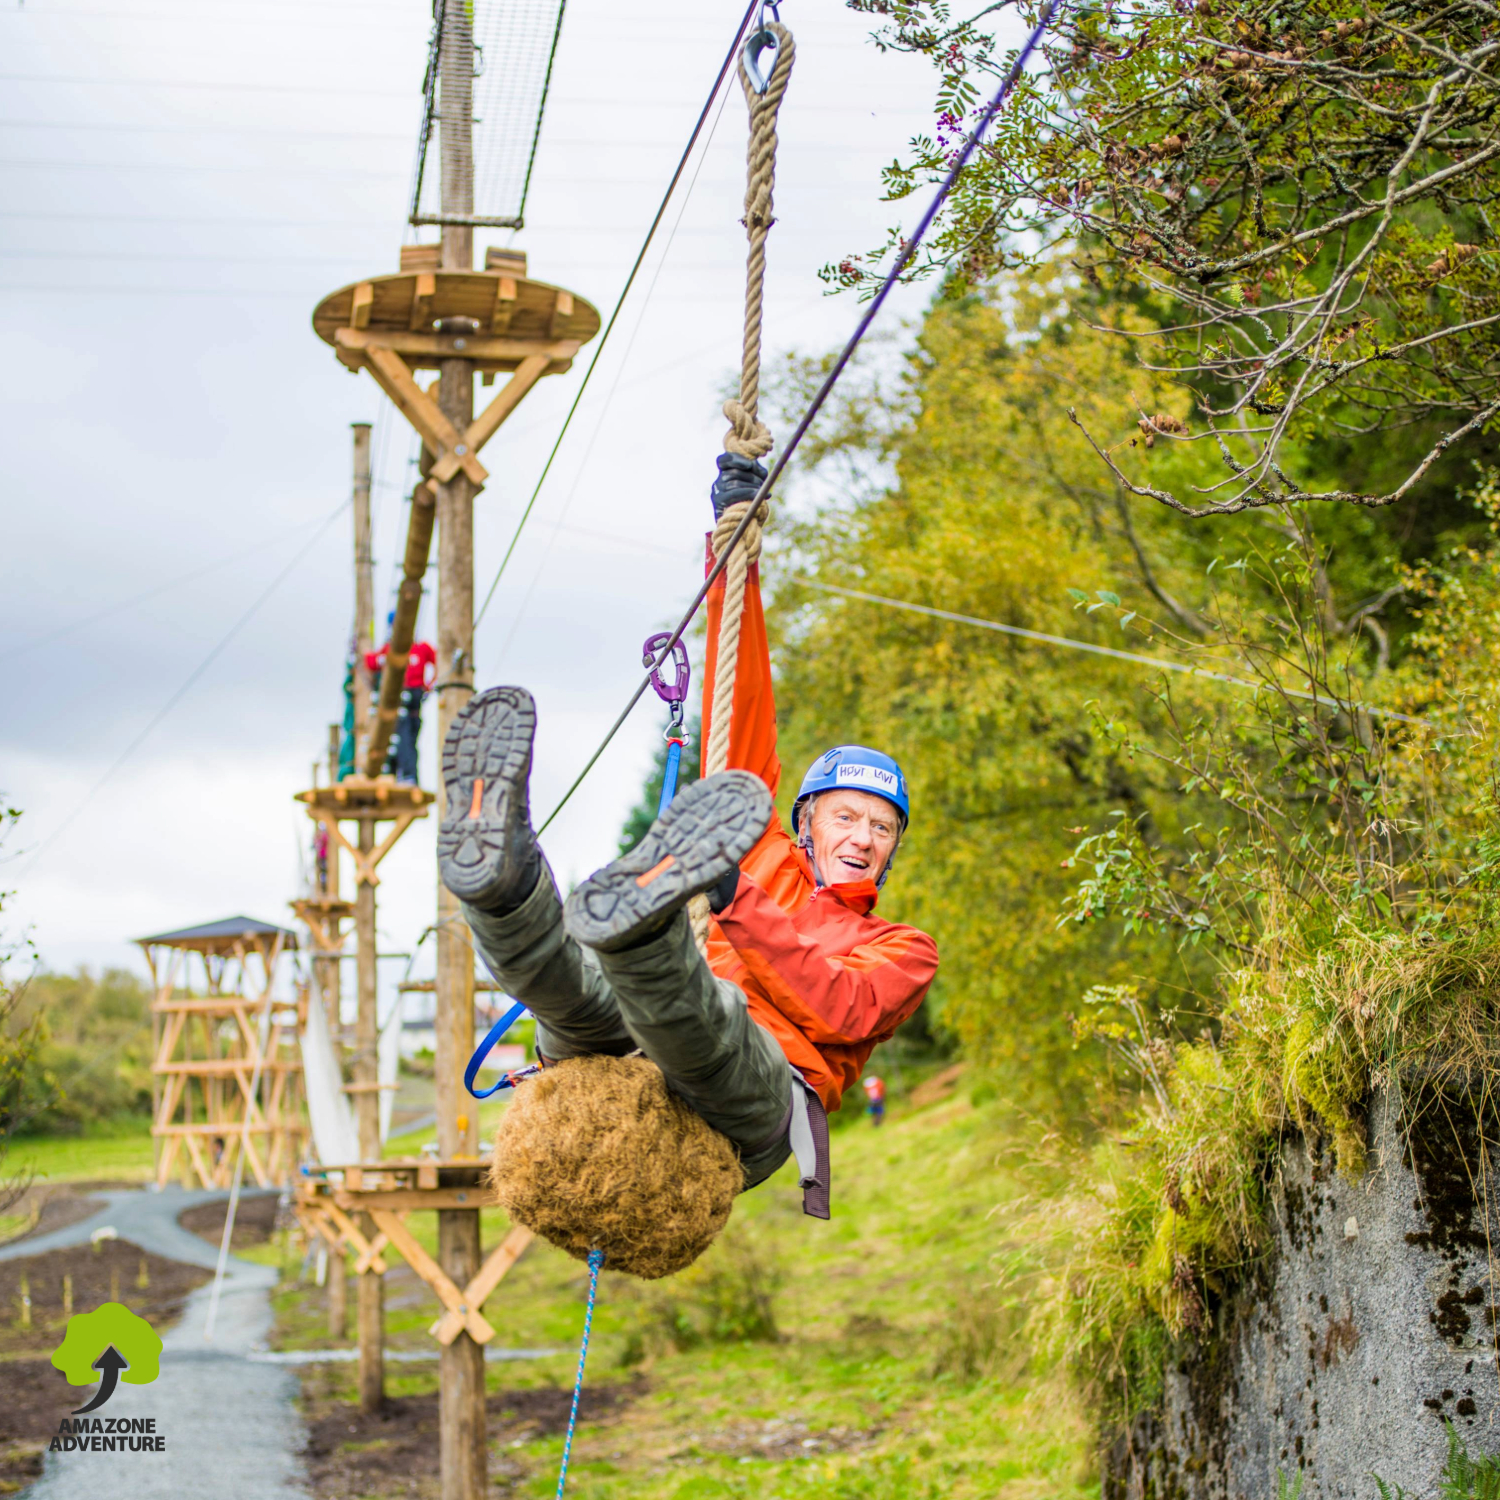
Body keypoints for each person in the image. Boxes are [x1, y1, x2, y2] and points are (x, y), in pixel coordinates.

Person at [435, 452, 939, 1216]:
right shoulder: (762, 850)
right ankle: (503, 883)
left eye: (881, 828)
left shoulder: (903, 948)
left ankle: (637, 930)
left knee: (702, 1021)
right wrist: (733, 551)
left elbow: (840, 1008)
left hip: (758, 1099)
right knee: (572, 994)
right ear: (805, 824)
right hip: (640, 1044)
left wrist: (734, 897)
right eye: (847, 817)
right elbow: (743, 699)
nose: (865, 838)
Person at [366, 618, 437, 785]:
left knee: (408, 736)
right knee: (400, 737)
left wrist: (429, 684)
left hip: (413, 695)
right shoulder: (390, 650)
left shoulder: (421, 648)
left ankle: (407, 775)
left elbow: (439, 661)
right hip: (398, 696)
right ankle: (403, 774)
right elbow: (371, 662)